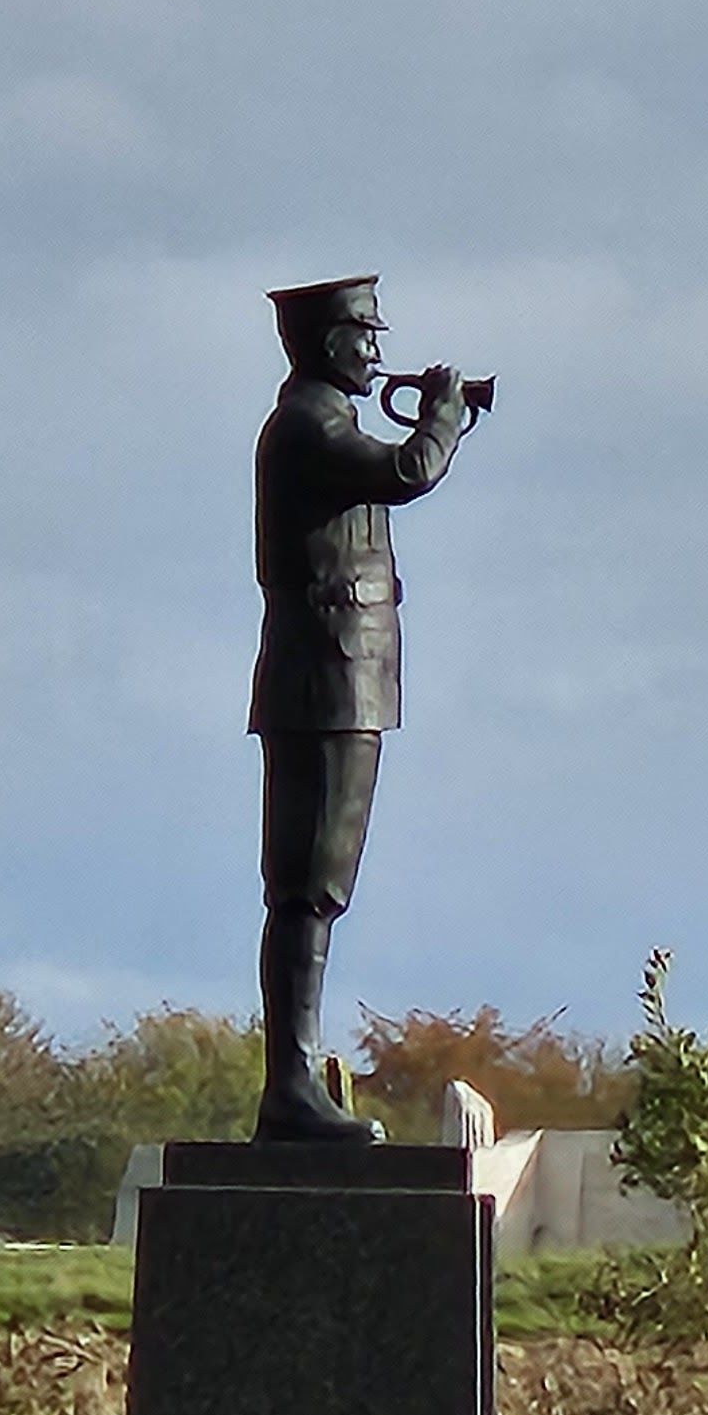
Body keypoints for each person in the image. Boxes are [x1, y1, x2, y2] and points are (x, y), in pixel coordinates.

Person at [248, 274, 478, 1140]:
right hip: (325, 684)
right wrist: (442, 416)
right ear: (325, 340)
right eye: (365, 332)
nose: (379, 351)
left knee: (320, 888)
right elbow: (408, 471)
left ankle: (297, 1080)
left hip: (350, 683)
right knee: (307, 888)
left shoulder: (324, 423)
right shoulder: (309, 427)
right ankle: (291, 1088)